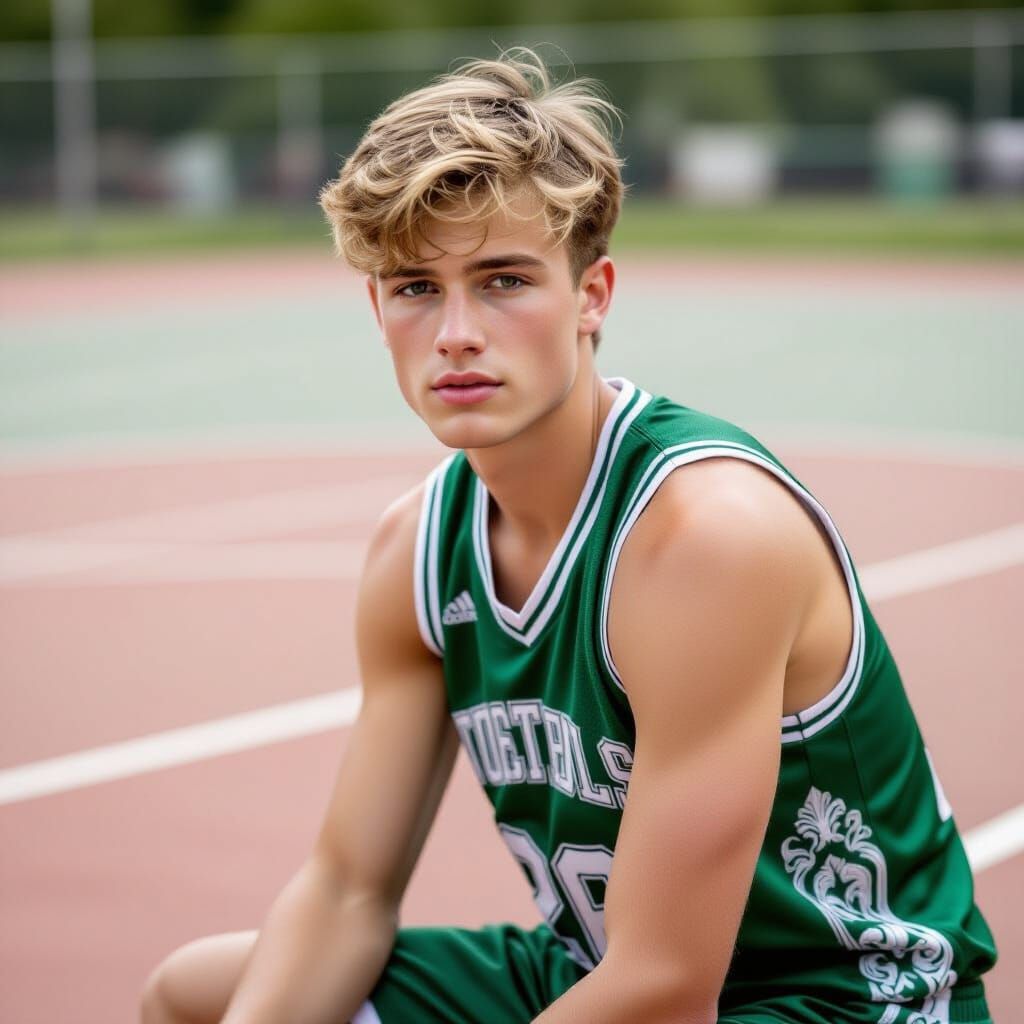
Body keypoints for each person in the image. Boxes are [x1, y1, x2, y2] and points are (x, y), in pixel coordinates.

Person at [140, 49, 997, 1024]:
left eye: (502, 279)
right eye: (416, 287)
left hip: (840, 999)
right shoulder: (415, 551)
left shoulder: (702, 536)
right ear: (376, 308)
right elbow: (346, 890)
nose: (456, 331)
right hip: (594, 972)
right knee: (197, 995)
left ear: (592, 296)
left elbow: (667, 987)